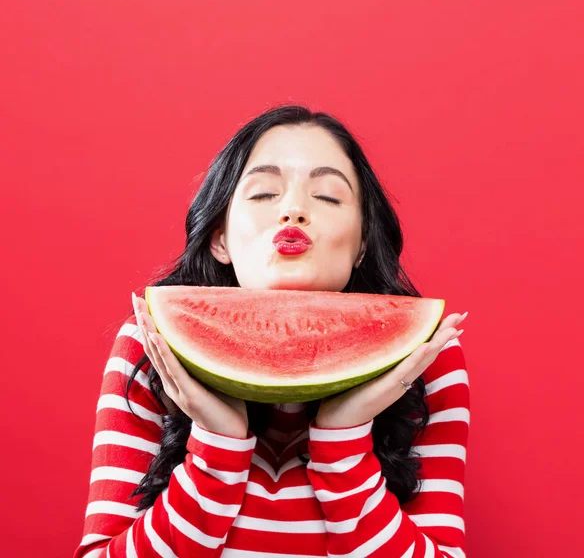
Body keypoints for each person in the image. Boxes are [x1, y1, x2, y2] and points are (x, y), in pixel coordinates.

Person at [73, 104, 470, 558]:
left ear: (362, 244)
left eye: (327, 197)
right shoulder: (153, 343)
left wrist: (343, 438)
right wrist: (216, 445)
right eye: (263, 194)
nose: (294, 210)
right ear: (219, 237)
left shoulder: (425, 356)